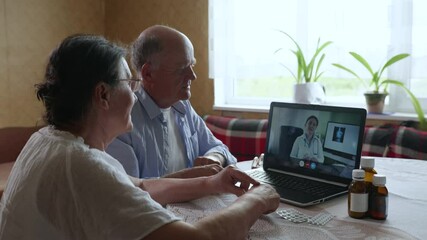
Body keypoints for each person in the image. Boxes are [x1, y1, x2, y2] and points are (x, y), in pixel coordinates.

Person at [0, 34, 279, 239]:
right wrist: (256, 200)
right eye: (129, 82)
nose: (135, 93)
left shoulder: (49, 140)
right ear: (103, 95)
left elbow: (142, 187)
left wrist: (213, 181)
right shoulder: (81, 166)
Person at [107, 25, 236, 178]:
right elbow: (130, 192)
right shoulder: (122, 122)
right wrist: (196, 182)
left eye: (192, 65)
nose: (193, 76)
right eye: (181, 68)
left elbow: (218, 148)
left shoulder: (182, 107)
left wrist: (214, 158)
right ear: (148, 74)